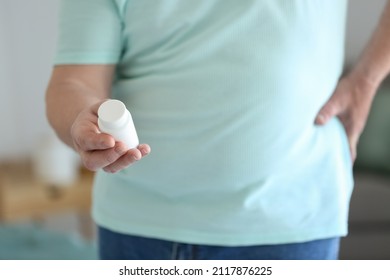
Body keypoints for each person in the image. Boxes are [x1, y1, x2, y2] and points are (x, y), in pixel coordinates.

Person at [45, 0, 390, 260]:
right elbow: (74, 80)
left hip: (290, 221)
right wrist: (81, 121)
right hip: (139, 227)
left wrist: (368, 78)